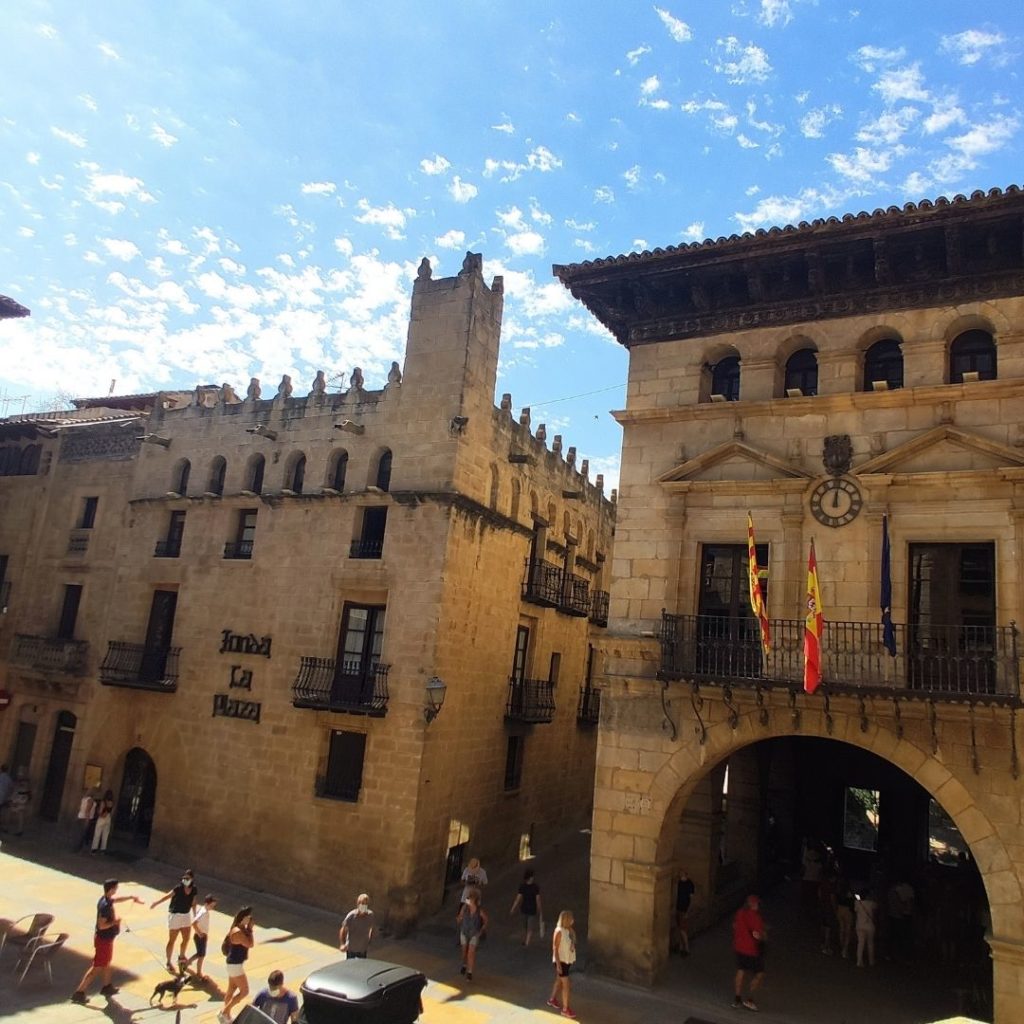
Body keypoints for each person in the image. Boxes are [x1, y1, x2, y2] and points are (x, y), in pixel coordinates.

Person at [70, 878, 145, 1003]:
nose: (117, 890)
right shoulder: (105, 906)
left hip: (107, 939)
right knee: (97, 967)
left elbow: (116, 900)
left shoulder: (105, 899)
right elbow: (101, 925)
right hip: (103, 940)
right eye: (116, 888)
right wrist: (115, 922)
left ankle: (107, 986)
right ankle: (79, 992)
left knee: (106, 963)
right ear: (111, 889)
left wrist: (131, 897)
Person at [151, 869, 198, 971]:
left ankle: (181, 956)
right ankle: (168, 962)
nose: (185, 880)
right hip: (175, 915)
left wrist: (195, 915)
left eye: (188, 878)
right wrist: (156, 903)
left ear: (192, 879)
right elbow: (167, 896)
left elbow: (194, 902)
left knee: (186, 938)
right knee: (172, 940)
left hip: (186, 915)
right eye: (184, 878)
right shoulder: (178, 888)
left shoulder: (194, 889)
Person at [219, 906, 255, 1024]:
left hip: (234, 964)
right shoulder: (237, 932)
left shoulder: (240, 928)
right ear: (243, 918)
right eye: (248, 917)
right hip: (235, 965)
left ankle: (226, 1015)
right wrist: (250, 930)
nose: (250, 919)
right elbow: (250, 944)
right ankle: (225, 1011)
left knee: (231, 989)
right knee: (244, 991)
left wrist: (248, 929)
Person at [732, 893, 766, 1012]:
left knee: (740, 970)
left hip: (739, 947)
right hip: (752, 950)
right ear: (754, 904)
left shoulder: (740, 913)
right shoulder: (756, 918)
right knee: (759, 973)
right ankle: (750, 1000)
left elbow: (734, 926)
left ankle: (737, 999)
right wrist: (763, 935)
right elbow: (757, 935)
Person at [547, 909, 578, 1019]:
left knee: (558, 980)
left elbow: (572, 942)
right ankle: (565, 1009)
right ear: (567, 919)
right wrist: (558, 965)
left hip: (567, 960)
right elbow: (555, 948)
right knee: (566, 985)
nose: (573, 920)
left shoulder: (568, 930)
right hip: (561, 961)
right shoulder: (559, 931)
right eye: (571, 919)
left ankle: (552, 999)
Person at [456, 890, 488, 981]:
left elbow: (486, 920)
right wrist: (459, 919)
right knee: (464, 952)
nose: (468, 900)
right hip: (464, 931)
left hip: (474, 933)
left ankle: (469, 972)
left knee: (471, 952)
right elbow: (459, 917)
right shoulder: (464, 908)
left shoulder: (479, 911)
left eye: (470, 898)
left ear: (474, 900)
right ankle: (464, 964)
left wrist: (482, 930)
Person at [186, 893, 217, 980]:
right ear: (207, 903)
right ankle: (198, 972)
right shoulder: (203, 912)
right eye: (211, 905)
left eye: (214, 906)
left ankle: (187, 963)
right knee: (201, 955)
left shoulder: (204, 910)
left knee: (200, 954)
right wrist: (200, 933)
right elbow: (194, 923)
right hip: (200, 937)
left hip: (202, 936)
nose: (212, 908)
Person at [510, 868, 543, 947]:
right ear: (530, 877)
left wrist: (513, 908)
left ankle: (526, 942)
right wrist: (539, 909)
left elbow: (518, 898)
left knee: (527, 925)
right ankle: (526, 940)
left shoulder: (523, 886)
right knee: (527, 926)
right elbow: (538, 899)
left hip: (525, 908)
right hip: (531, 908)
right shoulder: (535, 887)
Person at [339, 893, 375, 959]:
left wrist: (369, 941)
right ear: (358, 904)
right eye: (362, 903)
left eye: (365, 904)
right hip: (351, 949)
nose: (363, 906)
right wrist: (342, 944)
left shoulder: (370, 915)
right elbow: (343, 929)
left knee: (361, 964)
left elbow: (371, 928)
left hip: (362, 949)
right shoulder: (351, 916)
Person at [673, 869, 696, 956]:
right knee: (679, 928)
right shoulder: (680, 883)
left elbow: (691, 899)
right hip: (678, 908)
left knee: (683, 930)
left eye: (682, 874)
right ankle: (681, 947)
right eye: (680, 874)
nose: (681, 876)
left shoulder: (690, 884)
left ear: (686, 875)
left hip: (684, 910)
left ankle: (687, 948)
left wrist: (688, 911)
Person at [855, 890, 878, 967]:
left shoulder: (857, 902)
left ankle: (859, 961)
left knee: (860, 943)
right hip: (869, 925)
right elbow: (876, 908)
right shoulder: (871, 903)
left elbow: (855, 910)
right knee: (870, 943)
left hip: (860, 925)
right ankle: (871, 961)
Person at [75, 786, 100, 852]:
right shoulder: (90, 800)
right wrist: (87, 819)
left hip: (80, 816)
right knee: (82, 834)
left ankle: (77, 847)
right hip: (85, 818)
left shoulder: (84, 799)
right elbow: (88, 810)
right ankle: (78, 848)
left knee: (79, 833)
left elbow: (79, 807)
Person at [8, 767, 31, 835]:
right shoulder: (23, 782)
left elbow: (21, 791)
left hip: (20, 800)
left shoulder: (23, 783)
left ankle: (18, 830)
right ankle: (18, 829)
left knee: (19, 814)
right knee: (18, 814)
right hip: (20, 799)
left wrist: (15, 800)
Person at [91, 789, 115, 853]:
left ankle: (94, 849)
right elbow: (112, 813)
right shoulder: (112, 803)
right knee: (105, 835)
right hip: (108, 818)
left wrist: (98, 812)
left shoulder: (103, 802)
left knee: (97, 834)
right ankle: (103, 849)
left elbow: (100, 811)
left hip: (102, 818)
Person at [0, 763, 14, 830]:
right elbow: (11, 788)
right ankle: (4, 826)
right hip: (4, 798)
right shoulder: (9, 779)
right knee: (3, 812)